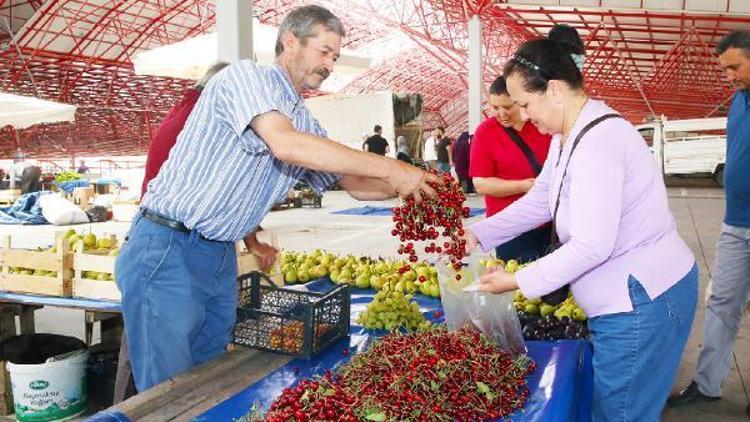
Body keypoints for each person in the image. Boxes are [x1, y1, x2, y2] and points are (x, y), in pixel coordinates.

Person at [116, 5, 439, 392]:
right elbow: (285, 145)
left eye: (335, 57)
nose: (329, 65)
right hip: (168, 248)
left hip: (217, 255)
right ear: (290, 40)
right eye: (324, 52)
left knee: (210, 379)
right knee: (167, 391)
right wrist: (391, 168)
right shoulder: (247, 77)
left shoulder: (300, 117)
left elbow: (352, 181)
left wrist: (411, 185)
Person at [464, 25, 698, 422]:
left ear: (554, 89)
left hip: (641, 301)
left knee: (620, 414)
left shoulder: (598, 142)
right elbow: (542, 200)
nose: (521, 115)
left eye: (524, 103)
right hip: (628, 296)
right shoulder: (569, 133)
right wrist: (479, 232)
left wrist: (517, 280)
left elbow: (592, 244)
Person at [668, 30, 750, 416]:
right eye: (726, 68)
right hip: (735, 222)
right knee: (721, 304)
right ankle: (707, 385)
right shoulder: (738, 101)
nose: (729, 75)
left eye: (735, 66)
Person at [470, 75, 552, 262]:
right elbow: (481, 184)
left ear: (521, 102)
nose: (501, 114)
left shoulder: (542, 124)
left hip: (551, 225)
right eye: (495, 107)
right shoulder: (485, 132)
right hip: (510, 230)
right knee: (516, 283)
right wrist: (524, 186)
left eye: (508, 107)